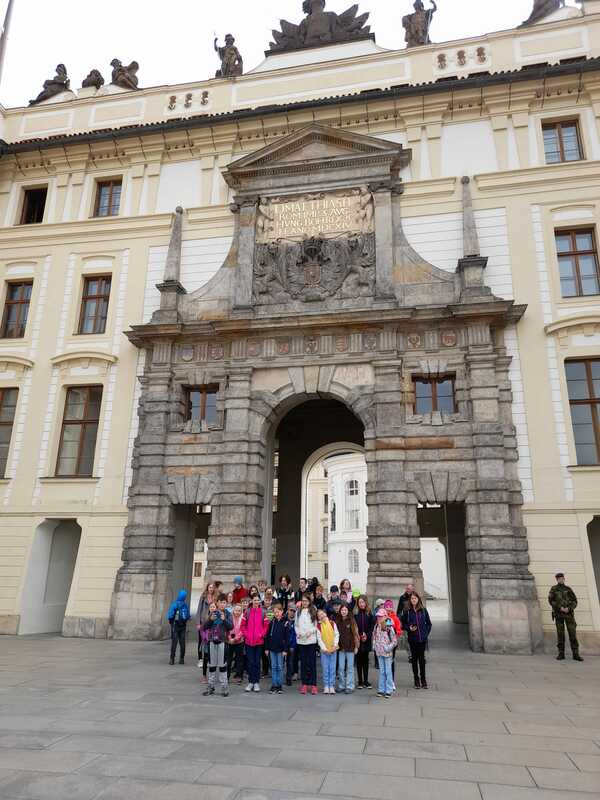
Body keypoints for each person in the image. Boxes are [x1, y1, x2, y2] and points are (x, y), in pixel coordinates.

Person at [202, 594, 233, 697]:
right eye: (221, 602)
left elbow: (231, 627)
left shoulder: (228, 614)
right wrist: (211, 619)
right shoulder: (213, 613)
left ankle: (224, 687)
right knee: (212, 665)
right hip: (212, 641)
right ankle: (210, 686)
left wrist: (224, 619)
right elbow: (204, 627)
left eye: (224, 603)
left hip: (222, 642)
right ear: (217, 603)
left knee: (222, 665)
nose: (222, 604)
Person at [548, 573, 583, 661]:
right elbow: (551, 601)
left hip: (569, 615)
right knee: (560, 634)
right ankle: (561, 653)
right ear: (557, 580)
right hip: (559, 615)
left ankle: (576, 654)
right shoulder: (554, 589)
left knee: (572, 634)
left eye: (562, 578)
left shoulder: (568, 589)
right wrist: (560, 608)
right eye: (559, 578)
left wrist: (569, 608)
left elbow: (574, 601)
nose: (561, 580)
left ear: (564, 579)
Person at [401, 592, 432, 689]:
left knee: (422, 660)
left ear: (418, 599)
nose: (413, 600)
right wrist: (409, 628)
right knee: (414, 660)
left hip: (422, 639)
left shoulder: (423, 610)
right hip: (412, 639)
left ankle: (423, 679)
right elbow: (402, 624)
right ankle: (416, 679)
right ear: (410, 600)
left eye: (415, 598)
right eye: (412, 598)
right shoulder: (407, 611)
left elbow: (429, 624)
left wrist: (425, 634)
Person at [241, 594, 269, 692]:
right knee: (250, 662)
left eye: (258, 600)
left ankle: (256, 682)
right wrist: (246, 634)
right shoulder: (247, 612)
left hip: (259, 642)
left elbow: (266, 626)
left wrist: (261, 634)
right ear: (252, 601)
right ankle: (250, 682)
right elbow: (242, 625)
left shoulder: (263, 612)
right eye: (255, 600)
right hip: (249, 642)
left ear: (260, 601)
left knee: (257, 662)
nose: (256, 602)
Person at [295, 594, 318, 695]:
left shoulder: (313, 611)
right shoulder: (298, 611)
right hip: (301, 641)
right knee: (303, 663)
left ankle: (313, 685)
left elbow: (316, 625)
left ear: (309, 601)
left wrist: (311, 631)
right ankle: (304, 684)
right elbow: (296, 625)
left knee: (312, 663)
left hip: (311, 640)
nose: (304, 603)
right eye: (303, 601)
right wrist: (298, 633)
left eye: (306, 601)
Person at [265, 604, 289, 694]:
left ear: (282, 611)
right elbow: (267, 636)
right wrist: (266, 648)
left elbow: (287, 638)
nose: (276, 614)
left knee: (280, 667)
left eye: (278, 612)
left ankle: (279, 685)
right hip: (272, 648)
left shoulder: (285, 623)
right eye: (275, 612)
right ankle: (274, 685)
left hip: (281, 650)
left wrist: (285, 650)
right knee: (273, 667)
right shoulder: (272, 622)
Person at [373, 608, 397, 699]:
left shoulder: (389, 627)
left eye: (381, 616)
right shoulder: (376, 626)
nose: (379, 618)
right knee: (382, 672)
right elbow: (374, 637)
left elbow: (394, 641)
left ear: (385, 616)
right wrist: (374, 646)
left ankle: (389, 690)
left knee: (388, 671)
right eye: (378, 616)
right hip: (379, 653)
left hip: (387, 653)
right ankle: (381, 689)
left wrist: (388, 648)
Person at [196, 582, 219, 678]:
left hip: (212, 621)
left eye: (212, 587)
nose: (211, 589)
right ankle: (200, 659)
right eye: (210, 587)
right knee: (202, 641)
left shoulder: (216, 597)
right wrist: (198, 622)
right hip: (203, 621)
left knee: (210, 640)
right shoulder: (203, 596)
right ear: (207, 588)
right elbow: (199, 609)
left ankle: (209, 658)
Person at [337, 603, 360, 694]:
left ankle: (350, 686)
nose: (343, 611)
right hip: (341, 648)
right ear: (340, 611)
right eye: (342, 610)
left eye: (345, 610)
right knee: (341, 667)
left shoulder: (352, 621)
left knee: (350, 668)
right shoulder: (338, 621)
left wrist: (356, 646)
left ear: (348, 611)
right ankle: (342, 685)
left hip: (350, 648)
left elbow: (356, 634)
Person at [317, 609, 339, 695]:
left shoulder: (332, 623)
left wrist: (334, 645)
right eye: (319, 615)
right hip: (324, 651)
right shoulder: (318, 626)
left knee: (332, 668)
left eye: (322, 614)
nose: (321, 616)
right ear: (318, 618)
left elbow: (336, 634)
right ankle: (326, 685)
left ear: (325, 614)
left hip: (333, 649)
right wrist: (324, 649)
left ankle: (331, 685)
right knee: (325, 668)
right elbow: (319, 639)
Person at [355, 594, 374, 689]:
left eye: (363, 602)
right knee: (359, 661)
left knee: (365, 660)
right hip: (358, 640)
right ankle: (360, 681)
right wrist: (358, 636)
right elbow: (354, 627)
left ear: (366, 603)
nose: (361, 604)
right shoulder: (356, 614)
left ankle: (366, 681)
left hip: (366, 640)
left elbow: (372, 627)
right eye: (360, 602)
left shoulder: (369, 614)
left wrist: (367, 635)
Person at [167, 589, 190, 665]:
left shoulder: (174, 604)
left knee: (174, 643)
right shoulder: (185, 605)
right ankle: (182, 659)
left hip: (175, 625)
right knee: (182, 643)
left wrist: (171, 622)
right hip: (183, 626)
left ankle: (172, 659)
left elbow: (170, 615)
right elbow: (188, 616)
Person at [227, 603, 245, 683]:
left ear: (241, 611)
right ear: (233, 610)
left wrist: (236, 638)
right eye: (236, 610)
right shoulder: (229, 617)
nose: (237, 612)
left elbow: (243, 630)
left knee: (239, 660)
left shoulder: (243, 618)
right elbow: (227, 628)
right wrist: (230, 638)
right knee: (228, 660)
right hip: (230, 641)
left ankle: (239, 676)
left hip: (239, 641)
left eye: (239, 611)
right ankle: (226, 676)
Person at [284, 605, 297, 686]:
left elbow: (295, 635)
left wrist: (293, 645)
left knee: (290, 662)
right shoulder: (284, 620)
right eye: (290, 610)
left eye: (293, 611)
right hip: (283, 644)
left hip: (291, 644)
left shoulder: (296, 621)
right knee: (281, 662)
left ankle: (288, 678)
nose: (292, 612)